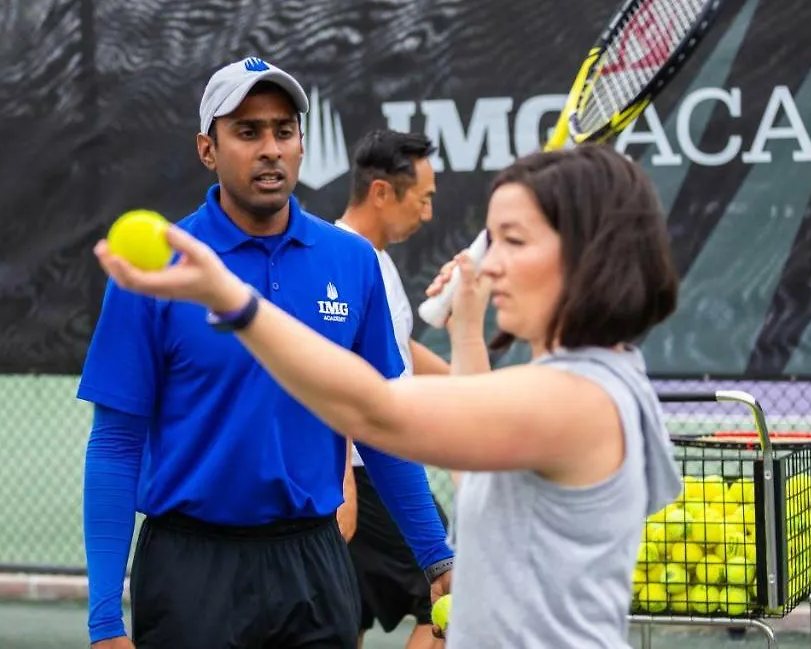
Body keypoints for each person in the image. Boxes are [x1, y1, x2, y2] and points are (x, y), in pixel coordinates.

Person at [94, 143, 685, 649]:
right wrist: (464, 330)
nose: (491, 264)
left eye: (512, 240)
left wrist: (234, 301)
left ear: (588, 253)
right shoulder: (598, 379)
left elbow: (374, 411)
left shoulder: (574, 400)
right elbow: (477, 454)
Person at [77, 56, 455, 649]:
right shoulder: (153, 271)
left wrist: (436, 557)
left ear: (303, 144)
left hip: (314, 563)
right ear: (208, 148)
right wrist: (104, 620)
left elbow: (380, 423)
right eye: (247, 132)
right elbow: (116, 443)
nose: (270, 148)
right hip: (188, 569)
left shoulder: (351, 262)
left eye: (284, 130)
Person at [334, 129, 452, 649]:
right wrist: (343, 479)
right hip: (369, 476)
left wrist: (475, 384)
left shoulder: (374, 259)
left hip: (376, 472)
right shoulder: (343, 261)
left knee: (345, 618)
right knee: (456, 597)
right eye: (422, 199)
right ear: (382, 192)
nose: (427, 214)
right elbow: (330, 372)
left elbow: (398, 348)